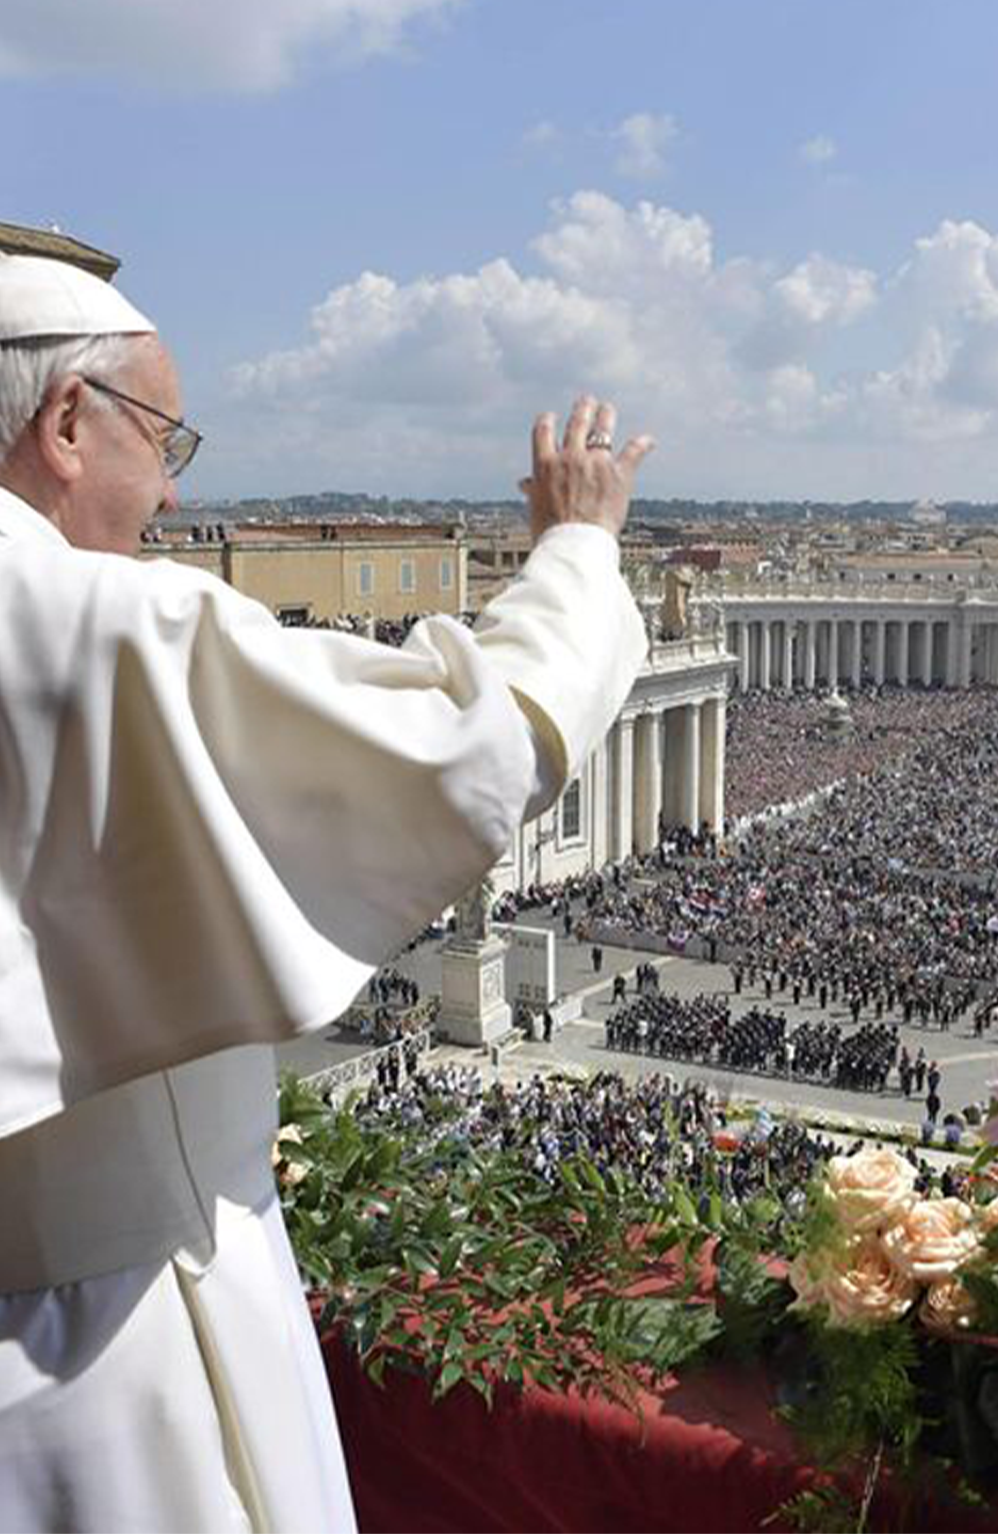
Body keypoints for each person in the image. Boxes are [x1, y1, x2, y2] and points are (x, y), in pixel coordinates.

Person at [0, 254, 653, 1534]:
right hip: (98, 1348)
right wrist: (577, 548)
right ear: (67, 424)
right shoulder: (79, 622)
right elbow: (466, 750)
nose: (176, 485)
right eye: (162, 434)